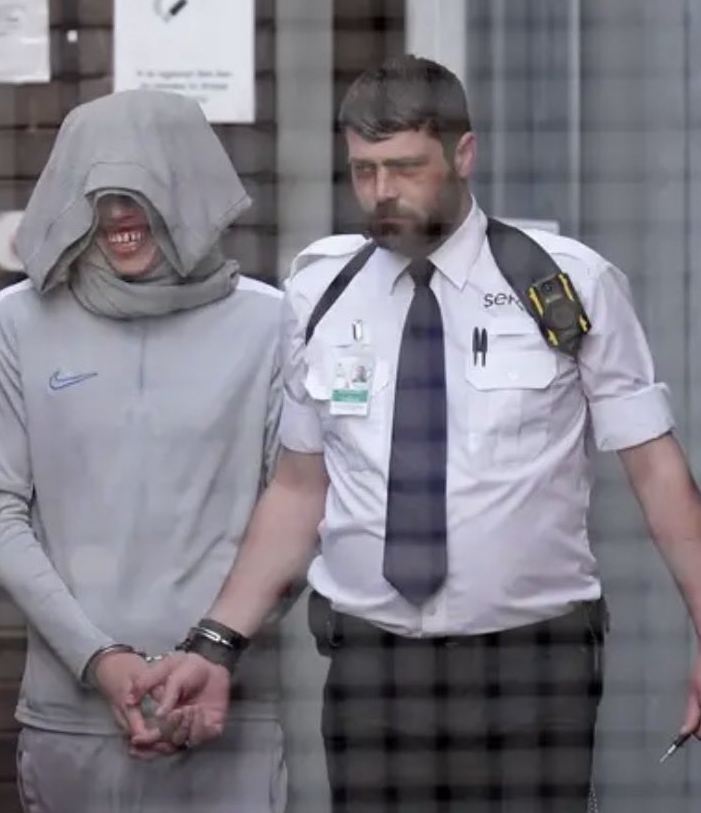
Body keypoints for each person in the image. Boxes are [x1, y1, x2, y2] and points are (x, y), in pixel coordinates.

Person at [130, 54, 701, 811]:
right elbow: (299, 487)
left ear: (463, 155)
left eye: (404, 167)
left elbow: (656, 471)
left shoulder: (564, 283)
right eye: (364, 171)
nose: (382, 192)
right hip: (372, 671)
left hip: (534, 667)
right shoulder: (321, 291)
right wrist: (216, 642)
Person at [0, 89, 287, 812]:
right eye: (99, 192)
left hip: (224, 716)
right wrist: (99, 659)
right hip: (67, 722)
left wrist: (211, 653)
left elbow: (295, 513)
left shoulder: (273, 324)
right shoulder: (15, 322)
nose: (117, 213)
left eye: (140, 190)